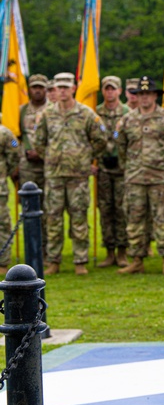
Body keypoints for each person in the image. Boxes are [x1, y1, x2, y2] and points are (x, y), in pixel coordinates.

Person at [35, 73, 106, 275]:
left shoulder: (86, 114)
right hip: (55, 175)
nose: (63, 90)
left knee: (79, 218)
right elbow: (39, 142)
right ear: (55, 90)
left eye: (66, 87)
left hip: (78, 176)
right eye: (59, 87)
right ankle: (54, 261)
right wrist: (51, 157)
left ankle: (80, 260)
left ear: (74, 88)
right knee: (53, 218)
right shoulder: (47, 115)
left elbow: (101, 139)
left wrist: (85, 157)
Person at [115, 76, 164, 275]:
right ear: (136, 97)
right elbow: (121, 146)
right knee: (135, 218)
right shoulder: (127, 120)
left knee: (163, 218)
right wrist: (129, 167)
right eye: (141, 94)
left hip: (161, 178)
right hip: (135, 178)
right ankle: (137, 259)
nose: (145, 98)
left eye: (148, 94)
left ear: (155, 95)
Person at [95, 76, 130, 267]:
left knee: (122, 209)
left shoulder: (127, 113)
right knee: (105, 209)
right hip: (103, 169)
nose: (109, 92)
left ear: (119, 91)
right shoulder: (95, 112)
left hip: (122, 169)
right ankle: (109, 251)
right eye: (106, 89)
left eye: (113, 89)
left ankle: (123, 251)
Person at [18, 74, 49, 193]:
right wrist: (18, 148)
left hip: (48, 165)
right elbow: (13, 138)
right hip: (26, 166)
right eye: (34, 87)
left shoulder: (53, 110)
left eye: (41, 88)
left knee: (49, 205)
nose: (37, 91)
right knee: (27, 202)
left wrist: (41, 152)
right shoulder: (21, 111)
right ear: (29, 89)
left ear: (45, 89)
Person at [0, 123, 20, 274]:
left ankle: (3, 262)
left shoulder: (4, 133)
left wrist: (5, 172)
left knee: (2, 224)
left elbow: (14, 151)